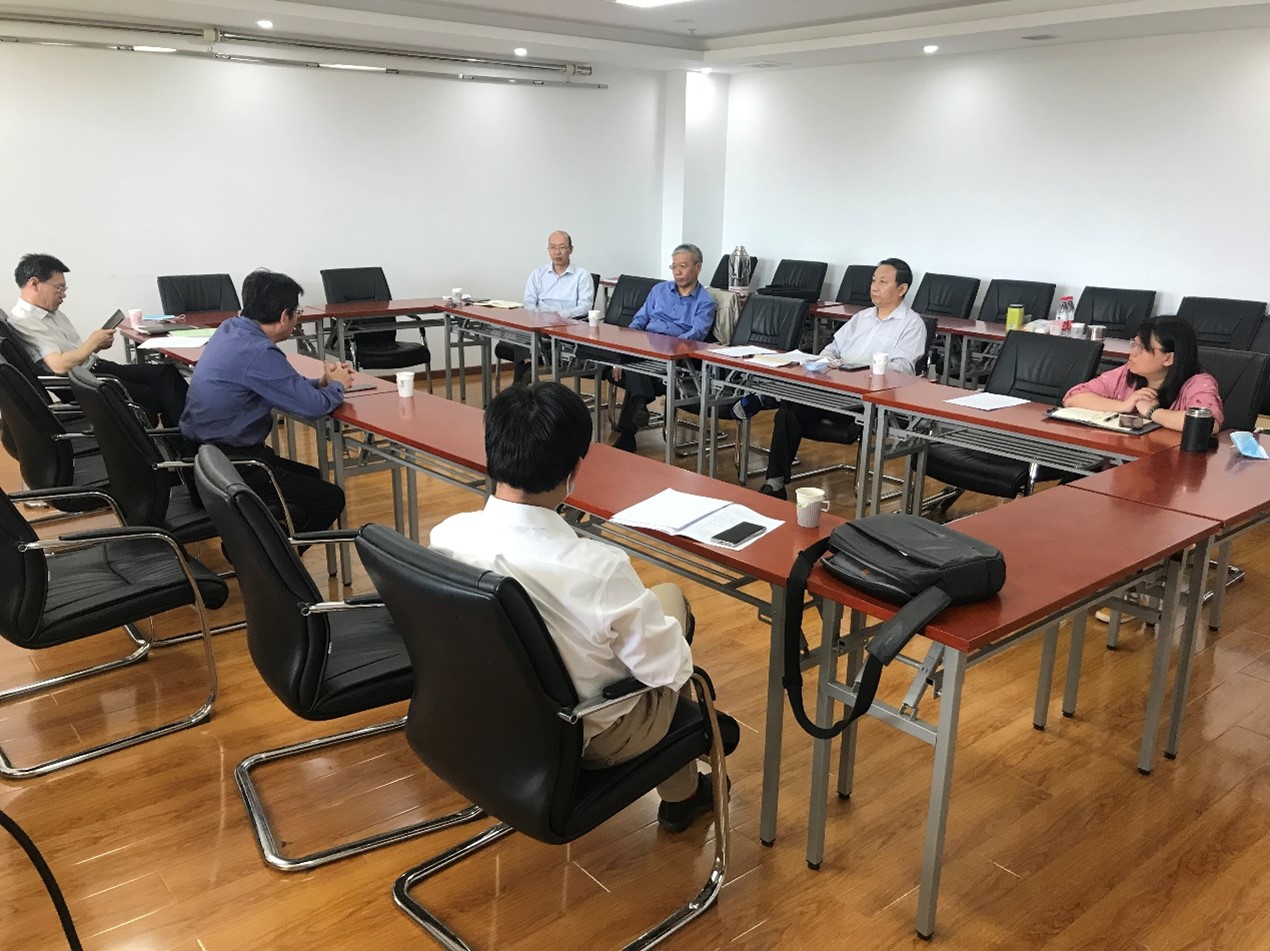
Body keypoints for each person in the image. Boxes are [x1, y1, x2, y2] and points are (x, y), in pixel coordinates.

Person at [430, 382, 735, 832]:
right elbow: (669, 671)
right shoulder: (598, 569)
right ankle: (683, 796)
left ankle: (683, 793)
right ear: (574, 470)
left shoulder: (447, 535)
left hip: (488, 715)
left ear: (492, 453)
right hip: (586, 735)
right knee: (671, 605)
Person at [180, 269, 351, 534]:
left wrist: (321, 383)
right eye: (297, 312)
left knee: (311, 477)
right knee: (329, 499)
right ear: (284, 316)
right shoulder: (258, 351)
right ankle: (266, 556)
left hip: (202, 460)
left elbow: (279, 385)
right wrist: (338, 385)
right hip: (232, 468)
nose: (297, 319)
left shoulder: (231, 329)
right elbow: (314, 407)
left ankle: (259, 542)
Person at [758, 258, 927, 499]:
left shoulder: (912, 325)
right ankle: (774, 484)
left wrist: (859, 369)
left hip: (866, 400)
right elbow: (832, 348)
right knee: (790, 409)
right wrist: (827, 361)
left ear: (902, 289)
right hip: (833, 388)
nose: (874, 287)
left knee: (790, 404)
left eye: (883, 282)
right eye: (873, 280)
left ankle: (764, 397)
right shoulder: (862, 317)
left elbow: (903, 368)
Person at [8, 253, 189, 426]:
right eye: (59, 288)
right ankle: (186, 441)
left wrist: (96, 345)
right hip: (84, 382)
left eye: (64, 289)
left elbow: (72, 352)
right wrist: (92, 343)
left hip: (94, 368)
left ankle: (182, 438)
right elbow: (59, 366)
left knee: (166, 373)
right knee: (161, 393)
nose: (63, 294)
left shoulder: (49, 312)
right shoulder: (25, 321)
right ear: (34, 283)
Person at [610, 243, 717, 452]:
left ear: (698, 267)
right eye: (674, 266)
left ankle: (630, 429)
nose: (677, 272)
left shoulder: (705, 302)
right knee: (628, 360)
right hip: (646, 347)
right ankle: (639, 406)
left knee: (633, 367)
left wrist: (666, 348)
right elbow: (639, 320)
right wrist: (628, 346)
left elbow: (696, 335)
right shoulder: (659, 290)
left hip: (676, 357)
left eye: (683, 266)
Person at [1063, 316, 1223, 431]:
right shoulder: (1127, 373)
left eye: (1142, 348)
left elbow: (1207, 424)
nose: (1133, 352)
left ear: (1168, 358)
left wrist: (1152, 412)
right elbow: (1073, 397)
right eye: (1134, 344)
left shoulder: (1198, 383)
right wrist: (1123, 406)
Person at [510, 230, 595, 382]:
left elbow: (585, 306)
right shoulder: (538, 273)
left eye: (562, 247)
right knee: (520, 333)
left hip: (567, 326)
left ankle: (527, 375)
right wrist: (540, 317)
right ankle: (528, 368)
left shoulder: (582, 275)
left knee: (529, 341)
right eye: (553, 247)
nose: (557, 252)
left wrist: (561, 316)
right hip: (539, 323)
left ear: (570, 249)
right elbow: (529, 303)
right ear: (548, 250)